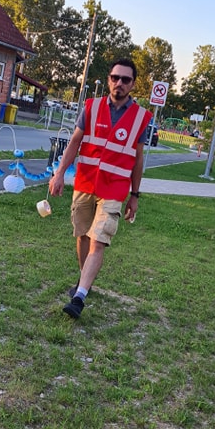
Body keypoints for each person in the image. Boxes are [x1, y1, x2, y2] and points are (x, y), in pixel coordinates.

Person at [49, 58, 152, 319]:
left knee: (98, 240)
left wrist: (135, 195)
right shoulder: (91, 107)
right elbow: (74, 142)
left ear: (133, 84)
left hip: (114, 190)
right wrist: (59, 173)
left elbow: (138, 159)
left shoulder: (141, 118)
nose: (119, 83)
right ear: (108, 80)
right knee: (83, 235)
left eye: (125, 79)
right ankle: (85, 280)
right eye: (115, 78)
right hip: (85, 183)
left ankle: (79, 298)